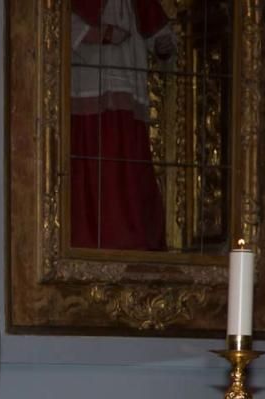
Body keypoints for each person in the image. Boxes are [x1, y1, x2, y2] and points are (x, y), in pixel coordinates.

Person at [70, 0, 177, 250]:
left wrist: (163, 44)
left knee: (127, 158)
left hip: (128, 82)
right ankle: (90, 235)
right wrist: (100, 34)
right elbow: (59, 27)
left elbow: (158, 29)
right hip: (88, 82)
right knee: (94, 158)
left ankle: (132, 234)